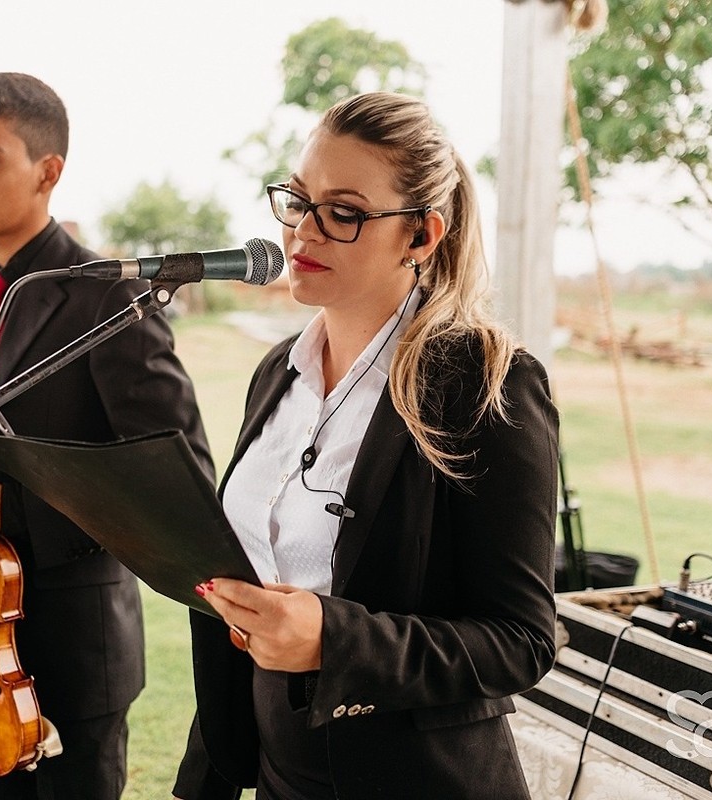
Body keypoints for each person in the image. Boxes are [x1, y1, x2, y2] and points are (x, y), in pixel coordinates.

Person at [173, 91, 559, 799]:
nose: (301, 234)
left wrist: (335, 639)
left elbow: (522, 641)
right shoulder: (276, 374)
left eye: (343, 213)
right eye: (298, 200)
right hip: (275, 770)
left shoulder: (482, 382)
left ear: (421, 236)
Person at [0, 72, 213, 800]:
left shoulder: (110, 293)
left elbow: (176, 478)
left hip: (79, 660)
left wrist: (14, 512)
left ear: (48, 172)